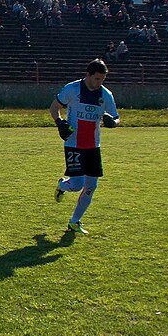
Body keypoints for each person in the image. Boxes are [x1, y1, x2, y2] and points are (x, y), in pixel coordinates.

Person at [49, 59, 120, 234]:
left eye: (102, 79)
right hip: (74, 143)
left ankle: (74, 222)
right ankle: (62, 185)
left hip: (93, 146)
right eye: (97, 78)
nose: (99, 83)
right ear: (87, 75)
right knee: (76, 185)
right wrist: (59, 123)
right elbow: (54, 107)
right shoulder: (72, 89)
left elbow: (116, 117)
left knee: (91, 186)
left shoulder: (106, 95)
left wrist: (113, 122)